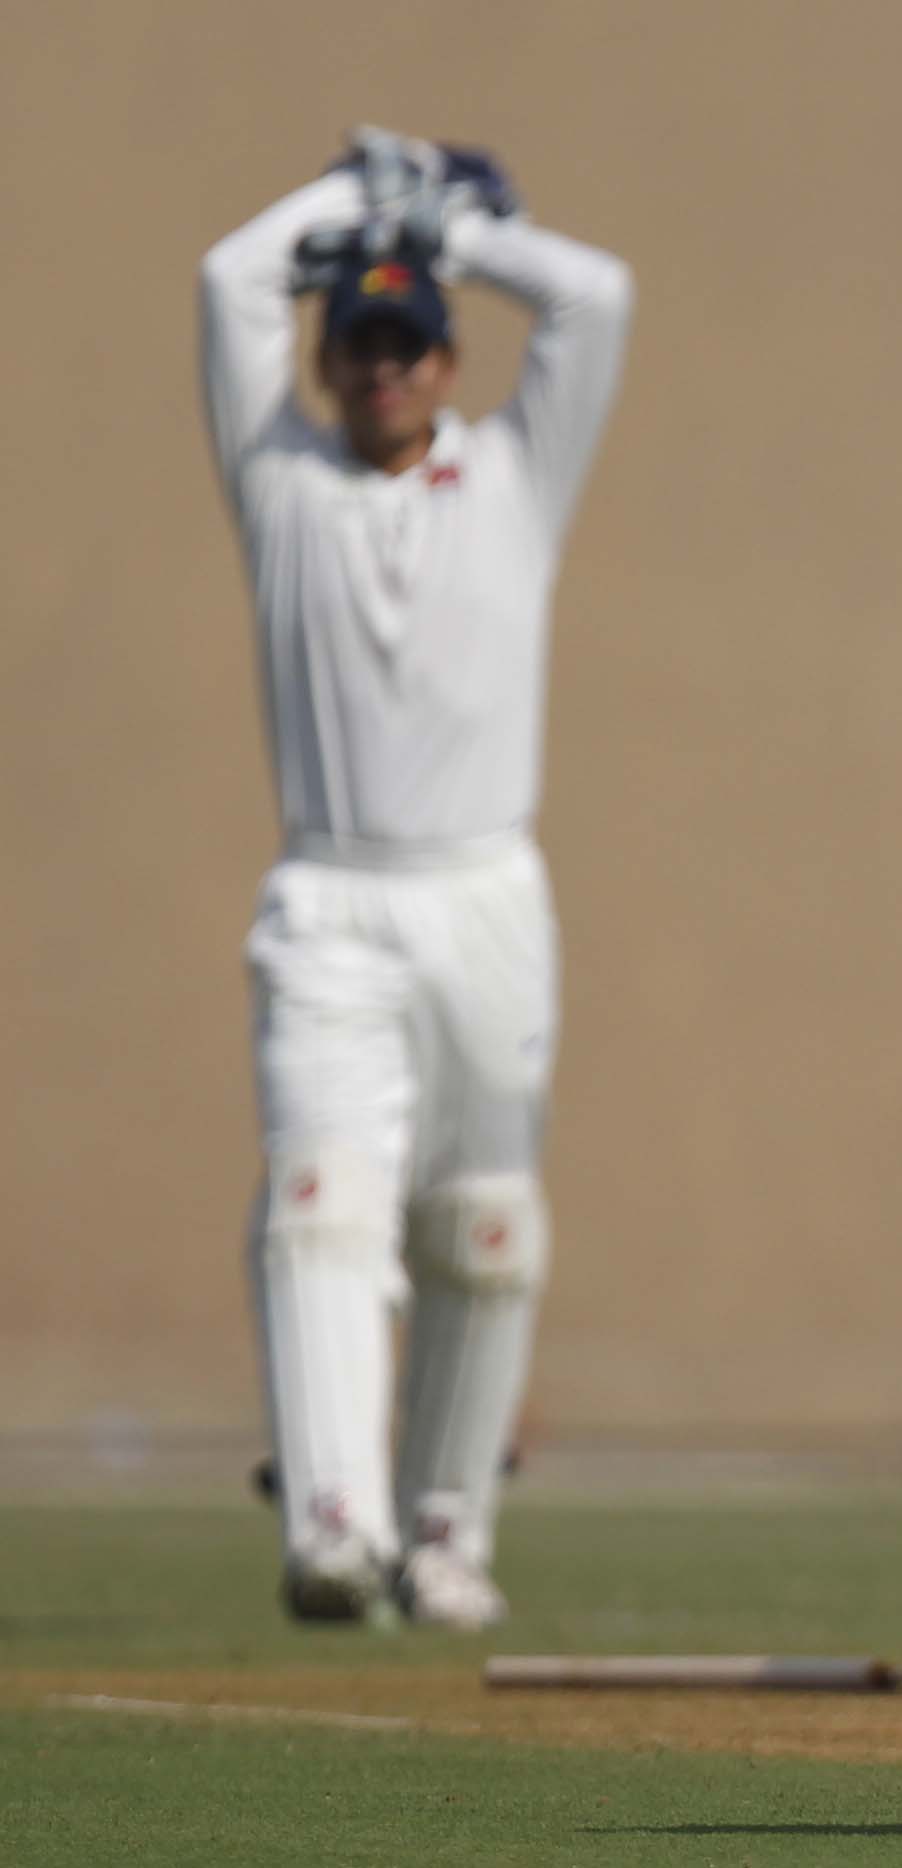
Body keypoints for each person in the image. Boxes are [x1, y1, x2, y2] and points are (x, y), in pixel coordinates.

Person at [199, 129, 632, 1628]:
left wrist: (445, 227)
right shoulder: (283, 487)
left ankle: (444, 1531)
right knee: (324, 1202)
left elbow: (596, 297)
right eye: (356, 342)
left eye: (405, 342)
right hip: (330, 905)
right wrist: (344, 199)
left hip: (487, 903)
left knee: (485, 1229)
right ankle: (333, 1522)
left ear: (446, 361)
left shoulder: (516, 474)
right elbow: (224, 276)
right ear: (327, 358)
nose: (380, 366)